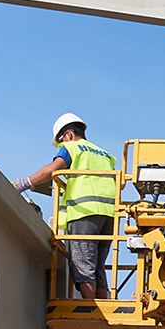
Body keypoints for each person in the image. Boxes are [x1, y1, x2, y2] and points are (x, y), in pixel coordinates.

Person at [19, 112, 117, 301]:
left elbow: (53, 169)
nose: (62, 143)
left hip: (84, 213)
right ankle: (103, 307)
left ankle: (91, 311)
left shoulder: (72, 147)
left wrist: (26, 182)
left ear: (69, 134)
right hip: (109, 216)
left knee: (83, 267)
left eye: (62, 139)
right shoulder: (105, 155)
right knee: (98, 267)